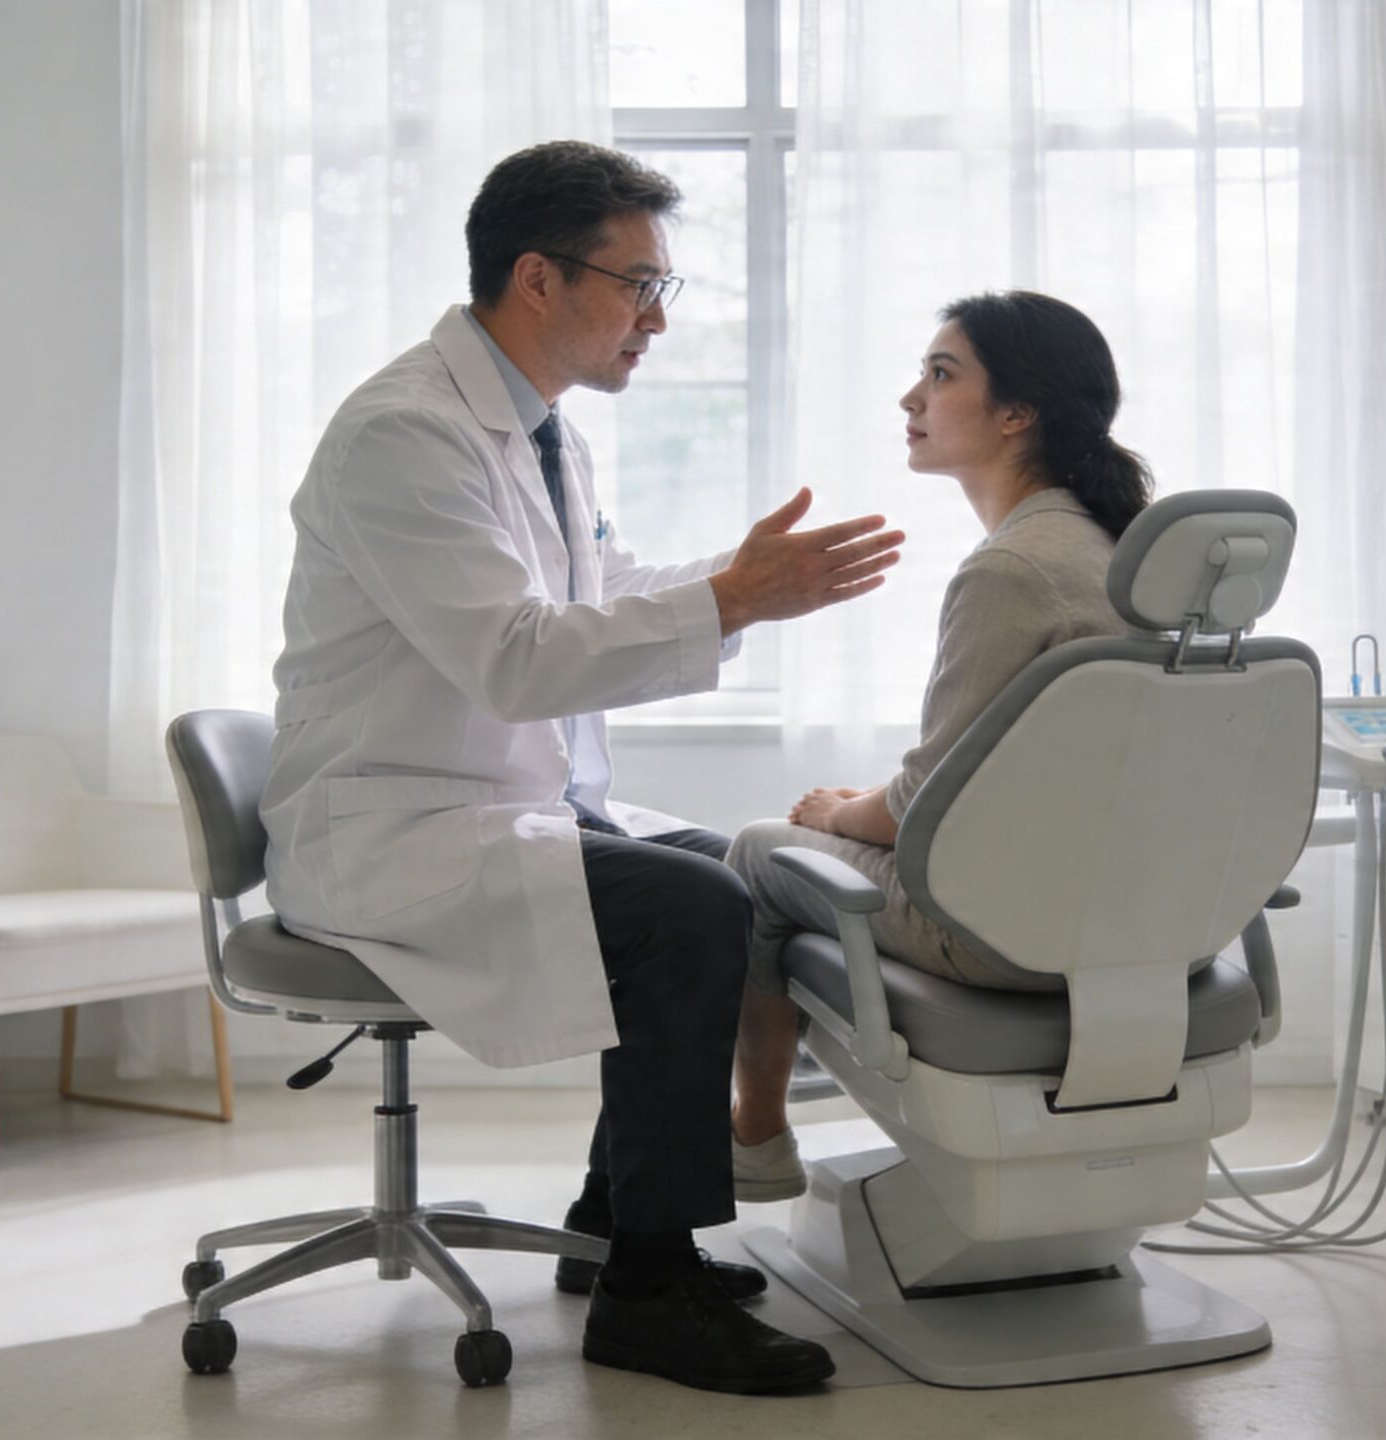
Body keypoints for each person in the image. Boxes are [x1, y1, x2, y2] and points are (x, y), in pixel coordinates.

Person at [260, 141, 902, 1393]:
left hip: (488, 804)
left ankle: (614, 1219)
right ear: (537, 277)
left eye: (666, 290)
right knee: (688, 909)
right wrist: (730, 598)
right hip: (389, 829)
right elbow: (513, 659)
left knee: (731, 871)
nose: (657, 319)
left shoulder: (539, 429)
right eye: (640, 285)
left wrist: (739, 588)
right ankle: (648, 1290)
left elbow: (589, 590)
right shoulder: (406, 434)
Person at [720, 292, 1154, 1200]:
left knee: (759, 852)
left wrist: (840, 812)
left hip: (1011, 938)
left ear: (1016, 413)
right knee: (817, 836)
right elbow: (1007, 776)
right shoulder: (1126, 554)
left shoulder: (1012, 569)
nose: (909, 398)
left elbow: (926, 810)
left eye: (940, 374)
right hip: (1153, 929)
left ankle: (755, 1137)